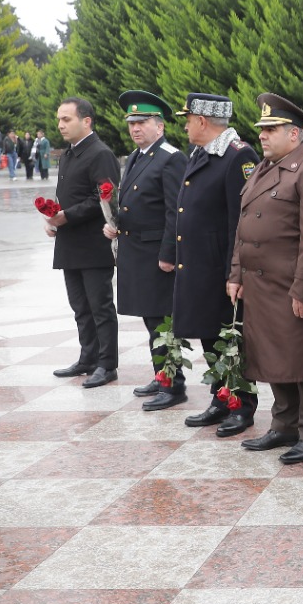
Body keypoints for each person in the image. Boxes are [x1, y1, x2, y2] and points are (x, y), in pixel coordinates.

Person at [229, 93, 303, 465]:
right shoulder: (264, 166)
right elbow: (244, 228)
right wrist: (236, 273)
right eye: (262, 129)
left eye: (271, 129)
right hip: (259, 285)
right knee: (272, 356)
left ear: (294, 134)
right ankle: (283, 424)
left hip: (290, 285)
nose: (263, 135)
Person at [174, 93, 262, 436]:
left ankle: (241, 406)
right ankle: (220, 397)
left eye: (188, 118)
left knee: (231, 340)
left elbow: (238, 222)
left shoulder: (237, 157)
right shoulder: (202, 153)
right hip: (198, 267)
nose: (184, 124)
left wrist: (234, 272)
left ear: (202, 121)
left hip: (220, 271)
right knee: (210, 337)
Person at [106, 91, 188, 410]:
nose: (135, 128)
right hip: (136, 251)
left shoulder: (170, 157)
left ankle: (174, 384)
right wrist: (115, 222)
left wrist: (169, 253)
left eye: (142, 123)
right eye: (132, 123)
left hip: (156, 255)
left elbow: (175, 211)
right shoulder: (138, 156)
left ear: (160, 126)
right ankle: (161, 374)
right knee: (150, 320)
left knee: (162, 321)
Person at [48, 97, 121, 388]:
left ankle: (107, 364)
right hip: (70, 242)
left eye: (67, 119)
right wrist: (53, 217)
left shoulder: (100, 153)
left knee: (100, 306)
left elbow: (103, 198)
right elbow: (67, 194)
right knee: (80, 306)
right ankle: (88, 357)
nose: (61, 125)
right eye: (59, 119)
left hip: (94, 243)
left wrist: (67, 216)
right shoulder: (69, 153)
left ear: (86, 121)